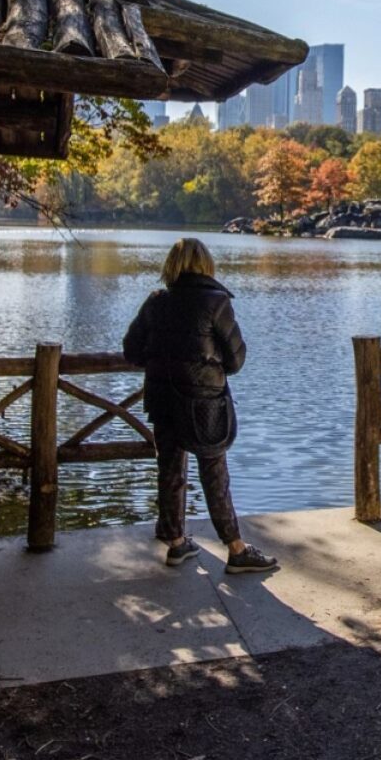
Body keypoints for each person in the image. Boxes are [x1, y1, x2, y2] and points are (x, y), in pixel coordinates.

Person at [120, 238, 277, 573]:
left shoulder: (156, 302)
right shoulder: (216, 302)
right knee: (214, 473)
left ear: (171, 265)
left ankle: (176, 543)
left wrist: (161, 354)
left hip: (162, 399)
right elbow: (236, 359)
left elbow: (131, 351)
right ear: (206, 265)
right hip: (204, 404)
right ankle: (235, 549)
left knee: (170, 471)